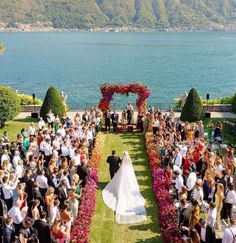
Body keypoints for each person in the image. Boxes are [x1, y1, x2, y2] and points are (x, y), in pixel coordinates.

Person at [102, 151, 147, 224]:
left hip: (123, 171)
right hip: (128, 172)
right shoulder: (127, 161)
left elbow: (121, 164)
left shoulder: (122, 159)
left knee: (121, 180)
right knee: (129, 181)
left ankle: (122, 189)